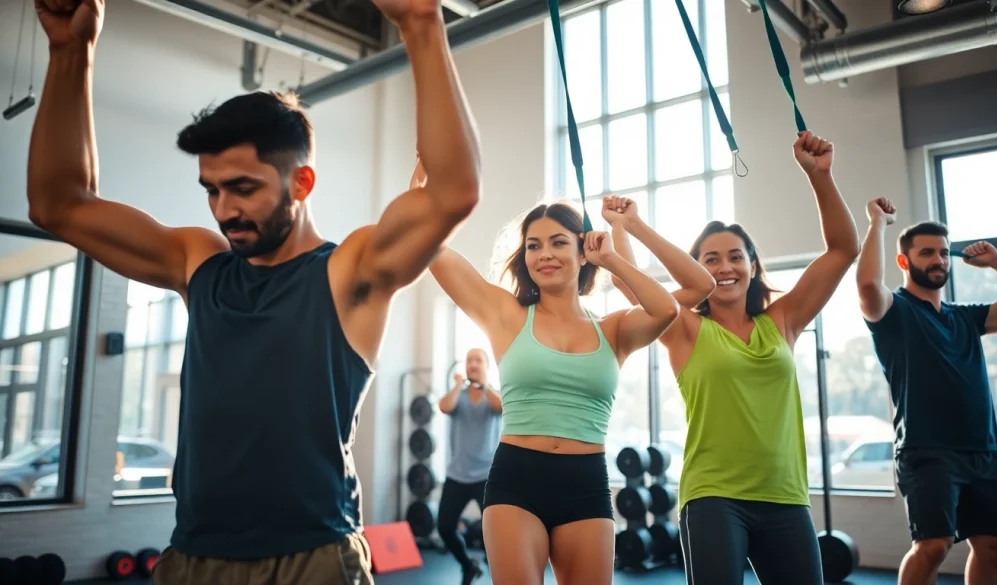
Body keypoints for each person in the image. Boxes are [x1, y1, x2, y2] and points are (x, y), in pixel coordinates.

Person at [28, 0, 481, 583]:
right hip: (193, 556)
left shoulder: (349, 273)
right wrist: (70, 52)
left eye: (242, 188)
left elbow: (453, 193)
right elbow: (59, 204)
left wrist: (420, 22)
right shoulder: (200, 263)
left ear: (302, 181)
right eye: (212, 190)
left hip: (312, 558)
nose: (224, 210)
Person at [611, 131, 860, 585]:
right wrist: (625, 228)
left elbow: (844, 250)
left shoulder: (783, 321)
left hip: (785, 495)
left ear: (752, 265)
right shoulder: (685, 328)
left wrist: (820, 176)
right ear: (696, 270)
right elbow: (634, 292)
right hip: (713, 496)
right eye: (709, 260)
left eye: (734, 257)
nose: (723, 268)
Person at [420, 175, 682, 584]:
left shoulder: (612, 330)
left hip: (586, 485)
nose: (545, 254)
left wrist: (612, 259)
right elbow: (431, 249)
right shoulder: (507, 315)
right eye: (533, 245)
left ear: (583, 249)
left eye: (559, 242)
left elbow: (666, 310)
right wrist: (423, 191)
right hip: (516, 481)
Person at [856, 198, 997, 585]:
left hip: (982, 448)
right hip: (925, 449)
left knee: (994, 545)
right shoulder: (892, 312)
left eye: (944, 253)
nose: (939, 260)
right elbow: (866, 284)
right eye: (927, 252)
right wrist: (877, 223)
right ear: (904, 262)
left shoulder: (966, 317)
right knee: (934, 545)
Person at [436, 348, 502, 585]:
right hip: (457, 475)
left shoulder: (493, 394)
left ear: (486, 366)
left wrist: (484, 386)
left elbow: (501, 407)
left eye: (478, 360)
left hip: (487, 477)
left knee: (495, 534)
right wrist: (457, 385)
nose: (473, 364)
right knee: (444, 527)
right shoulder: (458, 396)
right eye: (469, 360)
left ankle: (499, 576)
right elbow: (444, 406)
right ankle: (468, 565)